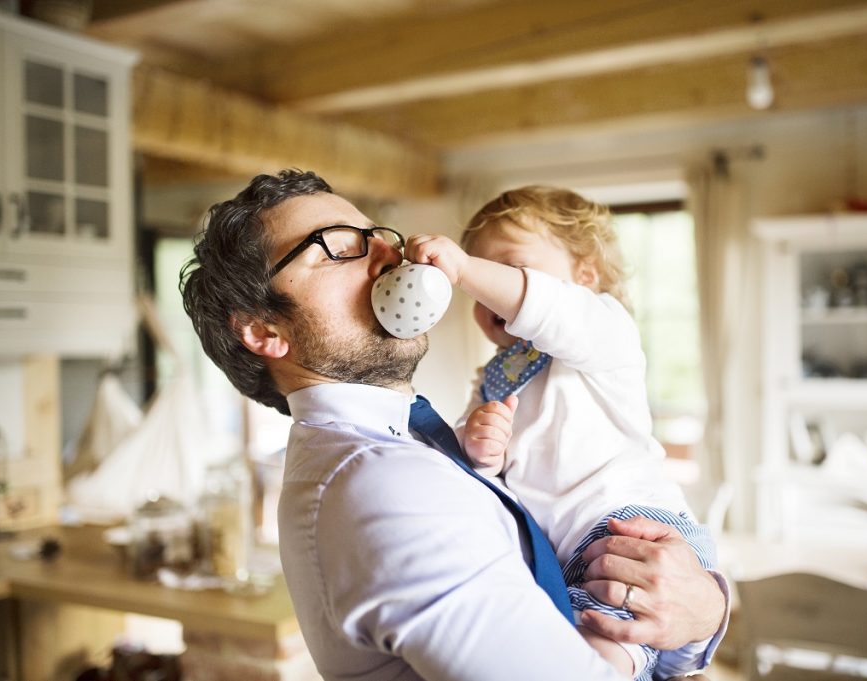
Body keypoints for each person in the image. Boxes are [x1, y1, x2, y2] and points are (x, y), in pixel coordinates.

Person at [180, 169, 727, 681]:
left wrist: (700, 610)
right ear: (264, 329)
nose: (389, 254)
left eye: (376, 234)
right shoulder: (382, 485)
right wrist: (699, 615)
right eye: (338, 245)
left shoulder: (405, 446)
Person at [404, 186, 723, 679]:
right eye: (479, 282)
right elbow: (484, 473)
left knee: (605, 645)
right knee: (557, 641)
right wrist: (481, 448)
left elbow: (552, 309)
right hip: (560, 552)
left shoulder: (603, 333)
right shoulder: (495, 375)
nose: (486, 288)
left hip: (629, 527)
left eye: (509, 269)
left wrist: (465, 267)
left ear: (585, 277)